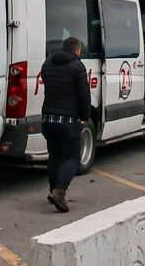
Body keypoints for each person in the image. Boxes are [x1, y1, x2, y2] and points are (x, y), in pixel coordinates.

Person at [40, 36, 91, 213]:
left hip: (48, 118)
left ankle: (53, 189)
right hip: (68, 121)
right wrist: (85, 115)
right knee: (72, 157)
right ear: (76, 50)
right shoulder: (78, 67)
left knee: (54, 156)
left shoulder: (47, 64)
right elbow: (83, 95)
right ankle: (59, 191)